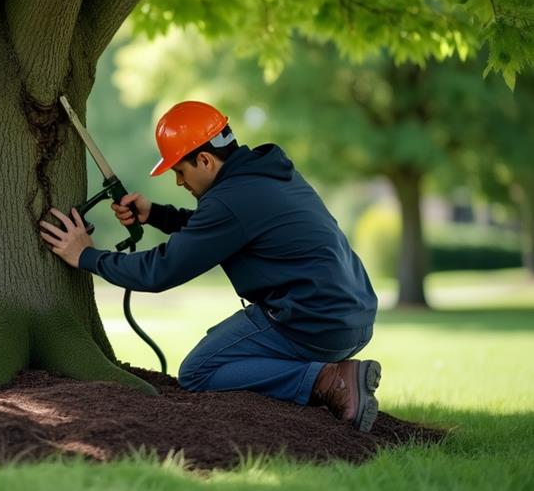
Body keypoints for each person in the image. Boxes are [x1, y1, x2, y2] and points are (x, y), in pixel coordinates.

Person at [39, 100, 381, 432]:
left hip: (313, 323)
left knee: (199, 371)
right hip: (354, 318)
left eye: (180, 171)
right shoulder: (267, 173)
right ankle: (330, 372)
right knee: (222, 346)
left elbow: (160, 271)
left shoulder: (230, 200)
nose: (178, 182)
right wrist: (157, 214)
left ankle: (327, 380)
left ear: (204, 159)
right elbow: (222, 230)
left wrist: (86, 256)